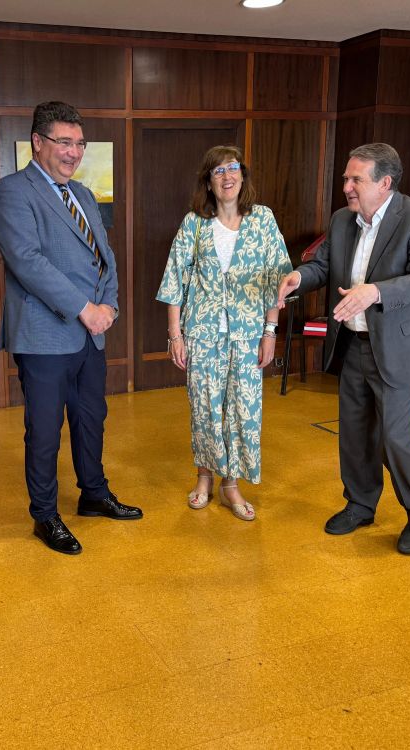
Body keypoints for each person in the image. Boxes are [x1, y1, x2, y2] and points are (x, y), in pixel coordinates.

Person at [0, 100, 142, 555]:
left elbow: (104, 256)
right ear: (37, 142)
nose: (73, 152)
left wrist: (109, 305)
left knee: (91, 417)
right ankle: (45, 514)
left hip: (91, 333)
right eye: (64, 142)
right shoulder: (12, 192)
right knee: (44, 429)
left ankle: (93, 493)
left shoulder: (84, 194)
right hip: (44, 334)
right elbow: (27, 261)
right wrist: (83, 308)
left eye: (79, 143)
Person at [276, 142, 410, 555]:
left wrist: (375, 292)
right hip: (353, 343)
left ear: (385, 183)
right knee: (353, 433)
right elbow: (323, 266)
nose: (347, 187)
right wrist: (298, 278)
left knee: (396, 438)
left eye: (356, 180)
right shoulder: (342, 220)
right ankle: (361, 504)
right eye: (346, 178)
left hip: (397, 348)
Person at [156, 146, 291, 521]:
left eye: (233, 168)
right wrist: (175, 335)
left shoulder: (262, 220)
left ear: (243, 176)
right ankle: (204, 478)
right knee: (204, 408)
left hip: (248, 335)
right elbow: (175, 280)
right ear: (208, 181)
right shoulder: (194, 223)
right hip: (202, 335)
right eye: (218, 171)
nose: (227, 176)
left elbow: (277, 279)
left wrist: (270, 332)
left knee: (243, 412)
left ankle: (231, 484)